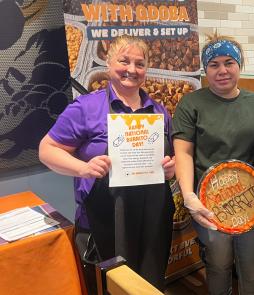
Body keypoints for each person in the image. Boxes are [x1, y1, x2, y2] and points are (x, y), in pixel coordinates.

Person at [39, 35, 175, 294]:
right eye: (124, 61)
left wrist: (171, 168)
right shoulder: (86, 107)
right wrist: (83, 168)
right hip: (103, 220)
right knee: (110, 286)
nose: (131, 70)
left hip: (152, 220)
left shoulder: (159, 111)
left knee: (149, 284)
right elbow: (47, 150)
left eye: (139, 63)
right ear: (108, 62)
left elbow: (173, 158)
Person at [172, 33, 254, 295]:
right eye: (214, 64)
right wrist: (188, 196)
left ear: (240, 65)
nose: (222, 70)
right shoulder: (191, 103)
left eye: (229, 62)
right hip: (209, 204)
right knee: (218, 265)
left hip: (251, 200)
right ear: (205, 69)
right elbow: (182, 152)